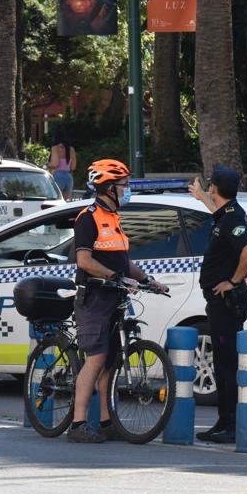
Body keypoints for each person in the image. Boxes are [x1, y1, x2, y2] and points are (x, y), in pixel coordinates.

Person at [68, 158, 169, 443]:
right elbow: (84, 260)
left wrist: (149, 280)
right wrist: (115, 276)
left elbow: (124, 262)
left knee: (111, 361)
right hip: (95, 297)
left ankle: (105, 421)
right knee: (96, 358)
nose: (127, 190)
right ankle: (77, 425)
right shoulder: (88, 217)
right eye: (124, 185)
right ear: (109, 188)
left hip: (115, 296)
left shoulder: (114, 218)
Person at [188, 167, 247, 444]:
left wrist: (233, 280)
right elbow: (220, 213)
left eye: (210, 186)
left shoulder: (233, 218)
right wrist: (201, 197)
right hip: (219, 302)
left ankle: (231, 424)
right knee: (221, 362)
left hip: (226, 302)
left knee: (227, 365)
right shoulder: (227, 213)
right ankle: (223, 420)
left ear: (215, 188)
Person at [48, 126, 76, 200]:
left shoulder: (55, 148)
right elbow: (73, 167)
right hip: (69, 177)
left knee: (56, 200)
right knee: (64, 203)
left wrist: (47, 164)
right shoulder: (71, 149)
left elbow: (55, 164)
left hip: (58, 175)